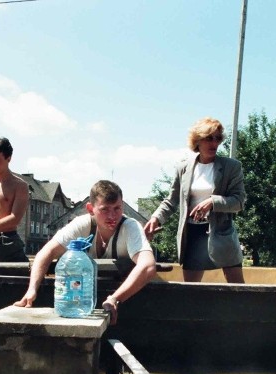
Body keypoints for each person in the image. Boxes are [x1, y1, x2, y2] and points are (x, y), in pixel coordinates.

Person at [14, 180, 156, 324]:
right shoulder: (81, 224)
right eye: (105, 209)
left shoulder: (131, 227)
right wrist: (32, 290)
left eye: (117, 208)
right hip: (82, 302)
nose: (112, 216)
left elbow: (148, 266)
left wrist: (115, 298)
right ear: (90, 209)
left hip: (127, 303)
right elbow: (46, 253)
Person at [144, 117, 245, 283]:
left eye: (218, 138)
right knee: (190, 290)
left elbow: (239, 201)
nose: (214, 143)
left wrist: (212, 202)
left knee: (238, 289)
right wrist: (156, 218)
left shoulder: (231, 167)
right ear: (197, 140)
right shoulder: (182, 168)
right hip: (191, 234)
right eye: (209, 138)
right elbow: (171, 200)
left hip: (222, 234)